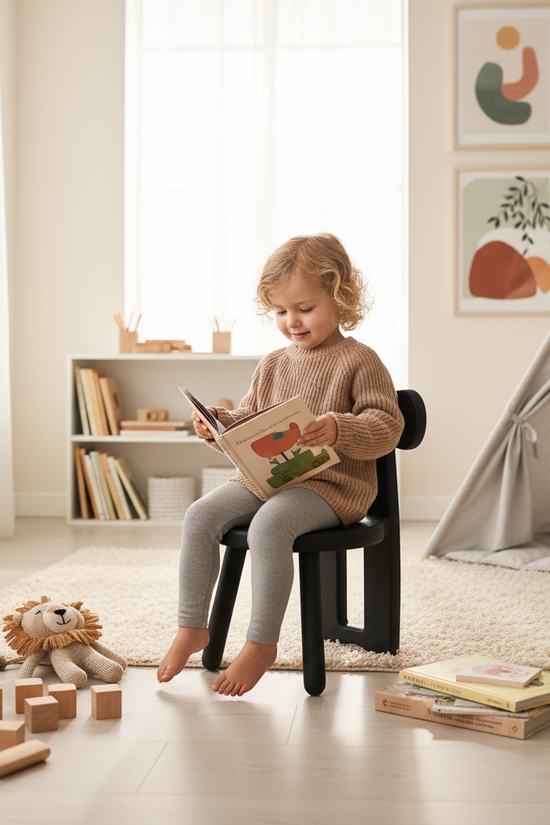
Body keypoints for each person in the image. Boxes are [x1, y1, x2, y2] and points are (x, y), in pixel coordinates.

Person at [157, 232, 404, 696]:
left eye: (304, 308)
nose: (292, 321)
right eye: (280, 311)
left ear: (340, 297)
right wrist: (219, 426)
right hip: (267, 478)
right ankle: (192, 626)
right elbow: (252, 422)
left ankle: (261, 643)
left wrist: (338, 428)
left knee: (269, 526)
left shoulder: (360, 361)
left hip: (331, 486)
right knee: (200, 514)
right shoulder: (272, 363)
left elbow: (387, 427)